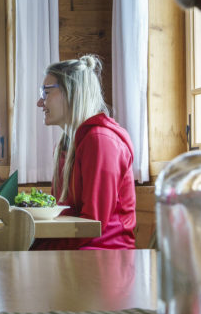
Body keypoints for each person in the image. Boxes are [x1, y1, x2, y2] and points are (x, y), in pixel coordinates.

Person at [33, 55, 137, 250]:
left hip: (104, 254)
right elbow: (64, 216)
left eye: (46, 92)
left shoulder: (100, 141)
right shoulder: (66, 145)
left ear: (74, 92)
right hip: (80, 248)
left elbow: (91, 226)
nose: (40, 102)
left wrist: (38, 247)